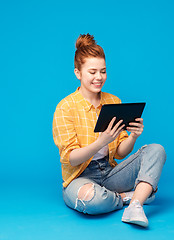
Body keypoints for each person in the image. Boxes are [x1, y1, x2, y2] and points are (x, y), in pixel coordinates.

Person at [52, 33, 166, 228]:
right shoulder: (65, 107)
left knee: (156, 150)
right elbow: (70, 157)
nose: (99, 77)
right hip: (80, 178)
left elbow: (121, 152)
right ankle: (125, 198)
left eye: (103, 71)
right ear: (78, 73)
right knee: (92, 201)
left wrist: (133, 136)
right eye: (92, 72)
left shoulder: (113, 101)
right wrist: (100, 142)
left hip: (109, 172)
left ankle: (135, 205)